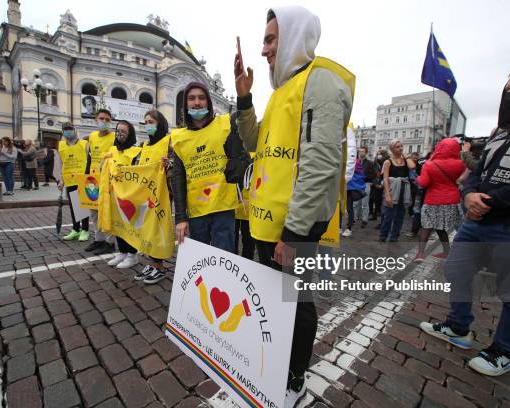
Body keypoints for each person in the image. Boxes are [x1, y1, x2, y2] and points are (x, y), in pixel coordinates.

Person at [235, 7, 354, 406]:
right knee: (277, 301)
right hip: (267, 224)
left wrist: (295, 233)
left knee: (296, 304)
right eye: (265, 40)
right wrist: (244, 97)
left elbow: (320, 164)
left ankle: (295, 379)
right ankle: (279, 362)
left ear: (295, 35)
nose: (264, 48)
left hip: (293, 228)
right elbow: (256, 144)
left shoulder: (320, 81)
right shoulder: (281, 90)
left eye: (271, 39)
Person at [420, 62, 510, 377]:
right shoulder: (501, 132)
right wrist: (469, 194)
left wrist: (492, 201)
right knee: (456, 269)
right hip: (477, 221)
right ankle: (458, 327)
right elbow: (478, 171)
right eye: (509, 88)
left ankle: (502, 352)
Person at [170, 82, 241, 253]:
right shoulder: (178, 138)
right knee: (201, 262)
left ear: (208, 102)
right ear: (185, 103)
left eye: (201, 98)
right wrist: (180, 217)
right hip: (196, 212)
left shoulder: (225, 124)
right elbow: (178, 179)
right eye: (191, 98)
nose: (197, 102)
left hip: (223, 208)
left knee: (225, 260)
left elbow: (238, 156)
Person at [122, 110, 172, 284]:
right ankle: (152, 263)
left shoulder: (169, 142)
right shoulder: (144, 145)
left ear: (160, 123)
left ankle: (159, 266)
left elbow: (177, 165)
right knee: (147, 230)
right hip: (145, 196)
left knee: (158, 230)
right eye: (146, 122)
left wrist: (170, 164)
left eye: (151, 121)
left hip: (161, 195)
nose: (148, 125)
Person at [413, 138, 465, 262]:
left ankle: (420, 254)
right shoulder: (461, 164)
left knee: (426, 226)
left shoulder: (429, 164)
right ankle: (447, 252)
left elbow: (423, 183)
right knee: (440, 227)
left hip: (433, 200)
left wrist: (418, 178)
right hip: (452, 200)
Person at [103, 120, 142, 268]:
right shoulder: (112, 150)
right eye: (118, 130)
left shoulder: (135, 152)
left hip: (129, 197)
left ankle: (132, 255)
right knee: (117, 225)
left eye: (123, 131)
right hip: (114, 195)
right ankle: (122, 252)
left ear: (130, 134)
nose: (119, 134)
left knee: (129, 226)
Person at [85, 108, 117, 255]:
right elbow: (90, 157)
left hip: (108, 179)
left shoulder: (114, 137)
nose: (104, 122)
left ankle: (110, 242)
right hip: (93, 179)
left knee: (108, 211)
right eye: (101, 119)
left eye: (107, 119)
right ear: (95, 120)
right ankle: (99, 240)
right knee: (94, 211)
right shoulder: (92, 136)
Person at [54, 122, 90, 242]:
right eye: (66, 129)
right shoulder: (61, 145)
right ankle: (76, 229)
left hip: (82, 179)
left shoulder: (84, 143)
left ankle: (85, 230)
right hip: (69, 180)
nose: (68, 131)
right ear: (63, 132)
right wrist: (61, 180)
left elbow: (89, 161)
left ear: (75, 130)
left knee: (83, 206)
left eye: (70, 129)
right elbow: (61, 163)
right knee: (74, 206)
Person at [379, 139, 415, 242]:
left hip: (404, 189)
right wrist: (387, 194)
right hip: (392, 189)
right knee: (388, 215)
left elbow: (412, 166)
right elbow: (385, 179)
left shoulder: (405, 160)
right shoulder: (388, 162)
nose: (401, 148)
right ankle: (383, 236)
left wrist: (406, 157)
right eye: (398, 147)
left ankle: (394, 237)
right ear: (392, 149)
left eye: (401, 146)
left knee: (400, 215)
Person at [342, 158, 366, 237]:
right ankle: (341, 227)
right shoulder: (352, 161)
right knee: (341, 208)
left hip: (349, 188)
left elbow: (360, 175)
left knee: (349, 208)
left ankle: (349, 228)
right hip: (344, 187)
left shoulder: (355, 162)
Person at [352, 146, 375, 228]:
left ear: (366, 153)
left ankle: (364, 220)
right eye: (360, 151)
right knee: (355, 203)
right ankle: (353, 218)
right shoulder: (354, 162)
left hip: (365, 184)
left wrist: (371, 182)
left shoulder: (370, 163)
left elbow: (373, 174)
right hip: (356, 184)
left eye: (363, 151)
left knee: (365, 203)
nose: (361, 152)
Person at [370, 149, 388, 222]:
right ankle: (374, 214)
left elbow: (385, 175)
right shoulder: (375, 163)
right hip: (375, 183)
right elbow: (373, 173)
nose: (379, 156)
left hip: (382, 184)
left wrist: (381, 184)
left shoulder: (386, 162)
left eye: (380, 154)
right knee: (373, 199)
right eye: (378, 154)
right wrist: (374, 183)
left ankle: (380, 217)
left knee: (380, 202)